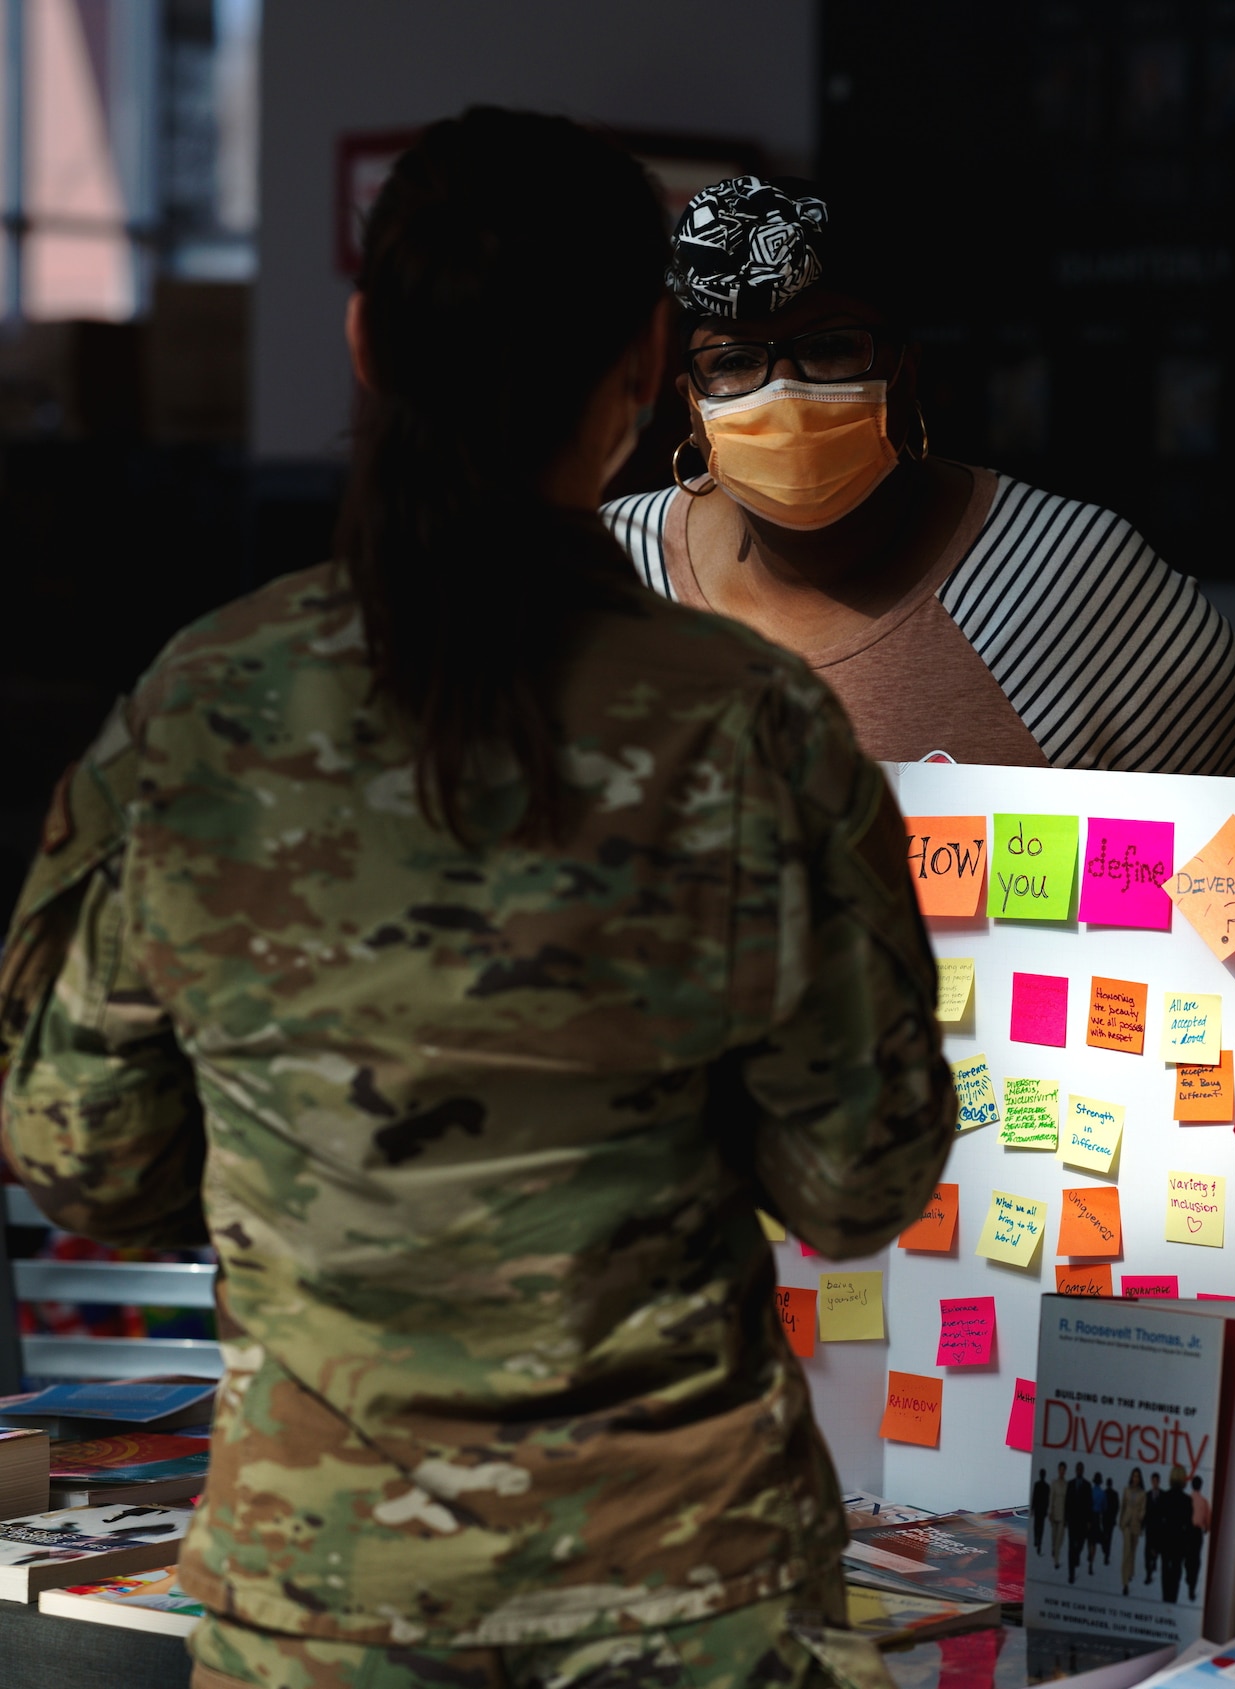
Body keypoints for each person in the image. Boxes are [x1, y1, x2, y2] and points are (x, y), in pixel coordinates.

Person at [0, 109, 952, 1689]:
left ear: (367, 342)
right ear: (647, 370)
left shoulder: (204, 711)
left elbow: (77, 1149)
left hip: (324, 1589)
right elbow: (861, 1179)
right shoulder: (746, 727)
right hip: (680, 1597)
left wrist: (307, 1177)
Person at [604, 176, 1235, 777]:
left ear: (907, 372)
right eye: (734, 361)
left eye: (832, 348)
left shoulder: (1071, 582)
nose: (783, 391)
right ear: (691, 404)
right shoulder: (605, 573)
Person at [1153, 1468, 1195, 1604]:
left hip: (1165, 1541)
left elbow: (1157, 1523)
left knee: (1165, 1572)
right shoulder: (1187, 1500)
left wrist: (1155, 1545)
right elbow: (1189, 1527)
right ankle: (1172, 1600)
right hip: (1179, 1542)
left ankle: (1165, 1598)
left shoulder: (1164, 1497)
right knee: (1176, 1573)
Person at [1118, 1467, 1147, 1595]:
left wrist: (1140, 1516)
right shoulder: (1126, 1490)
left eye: (1138, 1476)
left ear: (1140, 1479)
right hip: (1126, 1523)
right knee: (1126, 1551)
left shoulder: (1143, 1493)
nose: (1135, 1478)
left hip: (1136, 1524)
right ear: (1131, 1477)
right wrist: (1121, 1522)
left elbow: (1143, 1509)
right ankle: (1125, 1583)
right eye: (1134, 1476)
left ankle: (1130, 1572)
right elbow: (1122, 1507)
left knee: (1132, 1551)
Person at [1064, 1464, 1095, 1583]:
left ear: (1083, 1471)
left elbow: (1090, 1504)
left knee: (1081, 1543)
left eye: (1081, 1469)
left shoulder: (1087, 1485)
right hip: (1072, 1520)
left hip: (1083, 1521)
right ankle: (1071, 1574)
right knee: (1071, 1546)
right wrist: (1066, 1518)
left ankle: (1076, 1556)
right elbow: (1067, 1502)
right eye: (1078, 1469)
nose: (1079, 1471)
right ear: (1076, 1470)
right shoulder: (1070, 1484)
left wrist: (1089, 1521)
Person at [1184, 1474, 1210, 1601]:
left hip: (1187, 1531)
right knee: (1196, 1558)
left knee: (1188, 1556)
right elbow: (1208, 1518)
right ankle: (1192, 1585)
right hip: (1197, 1532)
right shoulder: (1204, 1502)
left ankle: (1189, 1576)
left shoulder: (1187, 1499)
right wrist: (1206, 1528)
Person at [1142, 1469, 1165, 1584]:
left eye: (1157, 1480)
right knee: (1147, 1552)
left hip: (1160, 1529)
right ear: (1151, 1481)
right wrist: (1142, 1526)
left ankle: (1154, 1562)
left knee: (1157, 1550)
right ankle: (1148, 1574)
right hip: (1149, 1528)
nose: (1155, 1482)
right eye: (1153, 1480)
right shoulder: (1147, 1495)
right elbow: (1144, 1512)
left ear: (1159, 1481)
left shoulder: (1163, 1495)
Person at [1048, 1460, 1069, 1564]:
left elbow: (1068, 1501)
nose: (1061, 1472)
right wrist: (1050, 1511)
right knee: (1054, 1536)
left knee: (1060, 1538)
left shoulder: (1067, 1485)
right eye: (1060, 1470)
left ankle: (1056, 1559)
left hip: (1063, 1514)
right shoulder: (1054, 1483)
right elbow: (1051, 1497)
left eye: (1063, 1470)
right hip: (1055, 1512)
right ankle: (1054, 1550)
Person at [1032, 1467, 1052, 1556]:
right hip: (1042, 1510)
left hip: (1039, 1509)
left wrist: (1033, 1508)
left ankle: (1037, 1540)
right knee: (1040, 1527)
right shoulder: (1046, 1486)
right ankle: (1038, 1541)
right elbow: (1047, 1500)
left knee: (1037, 1526)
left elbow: (1035, 1497)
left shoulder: (1038, 1485)